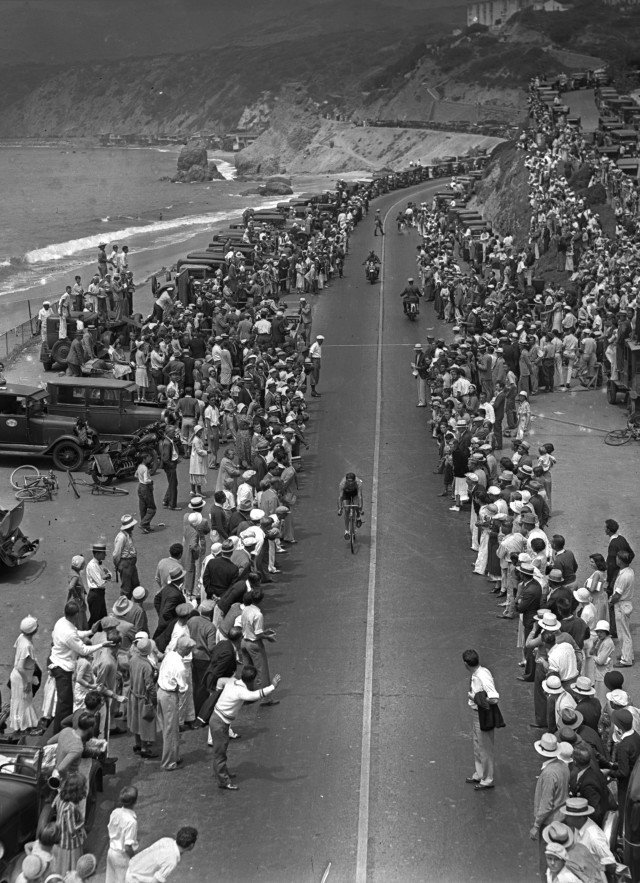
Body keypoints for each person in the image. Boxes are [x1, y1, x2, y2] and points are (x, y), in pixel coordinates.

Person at [209, 665, 282, 789]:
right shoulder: (241, 692)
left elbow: (222, 682)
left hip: (219, 720)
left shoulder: (232, 682)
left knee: (222, 750)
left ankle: (224, 773)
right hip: (220, 723)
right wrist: (273, 686)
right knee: (220, 753)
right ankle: (223, 781)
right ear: (252, 680)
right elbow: (255, 695)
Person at [50, 603, 111, 733]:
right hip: (63, 667)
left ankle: (62, 730)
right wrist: (101, 645)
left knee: (65, 702)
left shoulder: (62, 622)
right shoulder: (68, 633)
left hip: (61, 663)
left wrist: (90, 632)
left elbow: (76, 633)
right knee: (65, 703)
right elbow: (83, 650)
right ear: (76, 615)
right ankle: (61, 732)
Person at [530, 734, 572, 879]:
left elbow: (546, 804)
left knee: (547, 864)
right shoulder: (563, 766)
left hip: (550, 824)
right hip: (562, 819)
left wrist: (536, 825)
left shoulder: (549, 773)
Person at [463, 649, 501, 790]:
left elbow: (494, 698)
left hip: (483, 715)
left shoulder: (482, 676)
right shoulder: (479, 673)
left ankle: (487, 779)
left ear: (466, 664)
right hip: (476, 713)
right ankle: (480, 773)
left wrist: (476, 699)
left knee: (485, 748)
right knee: (478, 745)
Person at [156, 635, 194, 771]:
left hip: (161, 692)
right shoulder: (181, 667)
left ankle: (174, 756)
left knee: (168, 728)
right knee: (171, 731)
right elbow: (183, 688)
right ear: (187, 650)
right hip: (170, 696)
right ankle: (168, 762)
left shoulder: (170, 655)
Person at [241, 588, 278, 704]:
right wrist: (267, 636)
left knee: (247, 670)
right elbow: (258, 633)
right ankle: (266, 698)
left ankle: (247, 695)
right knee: (262, 671)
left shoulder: (246, 609)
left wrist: (263, 632)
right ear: (261, 601)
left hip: (244, 642)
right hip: (254, 644)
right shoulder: (258, 614)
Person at [124, 826, 198, 883]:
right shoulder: (171, 861)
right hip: (135, 880)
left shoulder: (166, 840)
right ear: (191, 845)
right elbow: (155, 881)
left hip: (131, 870)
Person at [51, 772, 87, 874]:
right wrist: (82, 822)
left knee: (61, 862)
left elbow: (53, 805)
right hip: (70, 840)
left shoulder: (60, 797)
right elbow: (72, 829)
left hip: (60, 834)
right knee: (71, 864)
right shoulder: (70, 808)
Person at [128, 637, 157, 758]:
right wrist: (154, 698)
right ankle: (145, 748)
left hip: (133, 694)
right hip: (143, 697)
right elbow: (149, 686)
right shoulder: (146, 665)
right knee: (145, 722)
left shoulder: (133, 659)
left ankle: (137, 744)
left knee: (135, 720)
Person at [9, 615, 40, 732]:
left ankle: (21, 726)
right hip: (22, 677)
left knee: (21, 702)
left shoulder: (22, 637)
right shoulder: (26, 645)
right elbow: (20, 667)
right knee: (24, 703)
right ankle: (25, 727)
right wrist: (27, 681)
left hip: (20, 676)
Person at [106, 785, 139, 883]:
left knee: (110, 880)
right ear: (135, 801)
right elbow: (128, 846)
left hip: (111, 851)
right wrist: (134, 858)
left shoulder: (115, 812)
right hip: (122, 856)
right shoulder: (131, 822)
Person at [611, 549, 635, 667]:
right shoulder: (629, 571)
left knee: (623, 633)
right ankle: (628, 655)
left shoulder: (624, 576)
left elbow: (617, 595)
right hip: (626, 603)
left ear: (621, 560)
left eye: (618, 558)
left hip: (621, 604)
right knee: (625, 632)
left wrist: (610, 601)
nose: (616, 559)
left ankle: (626, 660)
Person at [113, 515, 139, 599]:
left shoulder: (128, 535)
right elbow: (116, 554)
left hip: (131, 563)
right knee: (126, 588)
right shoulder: (122, 537)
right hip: (126, 564)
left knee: (135, 584)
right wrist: (117, 565)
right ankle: (123, 606)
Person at [86, 542, 112, 628]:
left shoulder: (100, 564)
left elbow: (110, 574)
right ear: (97, 554)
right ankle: (88, 636)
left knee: (103, 616)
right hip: (95, 594)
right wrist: (105, 576)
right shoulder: (92, 566)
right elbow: (100, 582)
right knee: (95, 619)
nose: (106, 555)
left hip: (100, 594)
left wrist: (106, 576)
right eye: (104, 553)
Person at [160, 418, 182, 511]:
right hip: (170, 467)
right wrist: (171, 465)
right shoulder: (167, 443)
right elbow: (165, 458)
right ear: (168, 432)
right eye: (173, 432)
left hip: (172, 465)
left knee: (173, 483)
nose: (174, 434)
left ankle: (166, 500)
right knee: (173, 485)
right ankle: (172, 504)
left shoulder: (169, 440)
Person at [337, 472, 364, 539]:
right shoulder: (342, 484)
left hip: (355, 493)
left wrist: (360, 508)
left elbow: (360, 496)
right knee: (346, 510)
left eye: (352, 481)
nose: (350, 483)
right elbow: (340, 497)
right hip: (346, 494)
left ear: (354, 480)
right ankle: (346, 531)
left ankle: (358, 517)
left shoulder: (358, 483)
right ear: (346, 480)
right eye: (349, 481)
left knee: (357, 504)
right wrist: (340, 509)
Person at [135, 452, 156, 534]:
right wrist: (151, 481)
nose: (150, 458)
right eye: (148, 457)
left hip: (140, 487)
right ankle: (143, 524)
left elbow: (135, 475)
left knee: (143, 507)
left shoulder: (139, 467)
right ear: (144, 459)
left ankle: (146, 526)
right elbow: (146, 480)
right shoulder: (145, 468)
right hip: (145, 488)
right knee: (152, 508)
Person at [67, 556, 88, 630]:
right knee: (79, 620)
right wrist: (77, 597)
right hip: (77, 602)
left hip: (75, 600)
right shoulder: (76, 576)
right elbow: (71, 587)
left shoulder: (72, 573)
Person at [188, 424, 207, 497]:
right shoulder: (196, 440)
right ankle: (198, 491)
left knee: (194, 474)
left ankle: (193, 491)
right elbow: (199, 451)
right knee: (198, 475)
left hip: (194, 460)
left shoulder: (197, 439)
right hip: (197, 460)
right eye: (200, 431)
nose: (201, 433)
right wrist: (206, 452)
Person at [412, 343, 430, 407]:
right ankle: (421, 400)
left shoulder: (424, 356)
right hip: (418, 373)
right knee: (419, 388)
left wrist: (418, 368)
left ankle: (423, 402)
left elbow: (426, 366)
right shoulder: (417, 355)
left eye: (417, 349)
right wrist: (415, 367)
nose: (416, 351)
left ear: (420, 350)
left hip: (423, 374)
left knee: (422, 388)